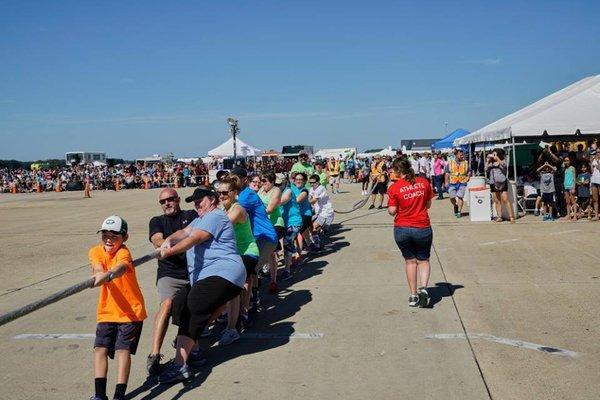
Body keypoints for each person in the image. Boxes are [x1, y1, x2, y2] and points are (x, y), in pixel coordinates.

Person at [157, 187, 246, 384]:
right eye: (194, 202)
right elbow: (183, 232)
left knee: (193, 307)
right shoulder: (200, 219)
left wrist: (168, 252)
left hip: (224, 272)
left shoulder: (215, 216)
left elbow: (194, 239)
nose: (197, 205)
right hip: (208, 276)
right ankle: (194, 350)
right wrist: (168, 241)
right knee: (179, 303)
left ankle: (180, 365)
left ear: (212, 200)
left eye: (200, 201)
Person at [89, 216, 147, 400]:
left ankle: (119, 395)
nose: (108, 240)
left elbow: (122, 267)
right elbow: (97, 265)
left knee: (123, 350)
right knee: (100, 349)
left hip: (130, 311)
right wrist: (99, 273)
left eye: (114, 236)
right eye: (105, 235)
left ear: (125, 238)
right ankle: (99, 395)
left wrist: (109, 274)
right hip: (107, 310)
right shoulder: (96, 251)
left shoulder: (124, 252)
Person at [146, 189, 198, 375]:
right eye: (163, 201)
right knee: (167, 304)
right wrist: (166, 244)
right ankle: (154, 354)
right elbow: (156, 239)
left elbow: (194, 233)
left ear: (178, 199)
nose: (167, 203)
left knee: (193, 308)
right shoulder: (157, 220)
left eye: (170, 199)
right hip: (169, 273)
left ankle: (189, 344)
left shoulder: (190, 215)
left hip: (192, 272)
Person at [218, 177, 260, 345]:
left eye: (224, 192)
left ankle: (232, 328)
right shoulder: (223, 208)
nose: (221, 195)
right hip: (233, 254)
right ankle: (239, 314)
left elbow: (221, 226)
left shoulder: (238, 209)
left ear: (234, 193)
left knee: (232, 284)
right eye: (219, 192)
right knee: (237, 284)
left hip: (248, 252)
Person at [387, 159, 434, 307]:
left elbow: (392, 211)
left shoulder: (394, 188)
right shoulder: (424, 182)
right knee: (423, 260)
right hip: (422, 227)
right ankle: (424, 288)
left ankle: (413, 296)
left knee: (410, 261)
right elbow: (428, 204)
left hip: (402, 228)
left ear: (399, 171)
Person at [258, 172, 285, 294]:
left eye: (265, 181)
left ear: (272, 181)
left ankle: (273, 281)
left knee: (271, 252)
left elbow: (269, 209)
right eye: (261, 181)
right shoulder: (261, 190)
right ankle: (264, 271)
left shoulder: (276, 191)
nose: (263, 183)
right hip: (263, 224)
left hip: (275, 224)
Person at [487, 149, 515, 223]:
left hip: (502, 182)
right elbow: (485, 169)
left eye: (495, 154)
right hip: (493, 182)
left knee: (505, 199)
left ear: (498, 155)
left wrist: (498, 159)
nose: (493, 155)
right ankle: (499, 216)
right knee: (497, 200)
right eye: (493, 154)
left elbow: (504, 166)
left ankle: (511, 217)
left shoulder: (503, 161)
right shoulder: (491, 163)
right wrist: (488, 161)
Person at [308, 174, 334, 250]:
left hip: (326, 212)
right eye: (310, 183)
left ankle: (317, 246)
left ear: (318, 182)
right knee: (313, 228)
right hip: (319, 212)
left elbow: (313, 200)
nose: (312, 184)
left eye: (314, 182)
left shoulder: (321, 188)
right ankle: (317, 244)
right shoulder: (312, 189)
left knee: (313, 227)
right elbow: (309, 197)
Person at [445, 149, 470, 218]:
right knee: (452, 197)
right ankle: (455, 205)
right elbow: (447, 173)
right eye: (460, 155)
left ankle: (459, 211)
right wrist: (446, 182)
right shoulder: (450, 163)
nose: (462, 156)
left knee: (460, 197)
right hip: (453, 182)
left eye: (463, 155)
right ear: (456, 155)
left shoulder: (466, 162)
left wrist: (468, 176)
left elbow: (469, 171)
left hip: (462, 182)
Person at [590, 150, 600, 220]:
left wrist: (598, 162)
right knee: (595, 199)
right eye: (597, 152)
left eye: (599, 152)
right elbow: (592, 171)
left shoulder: (597, 160)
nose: (597, 153)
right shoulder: (594, 160)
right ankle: (596, 216)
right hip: (594, 180)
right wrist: (591, 163)